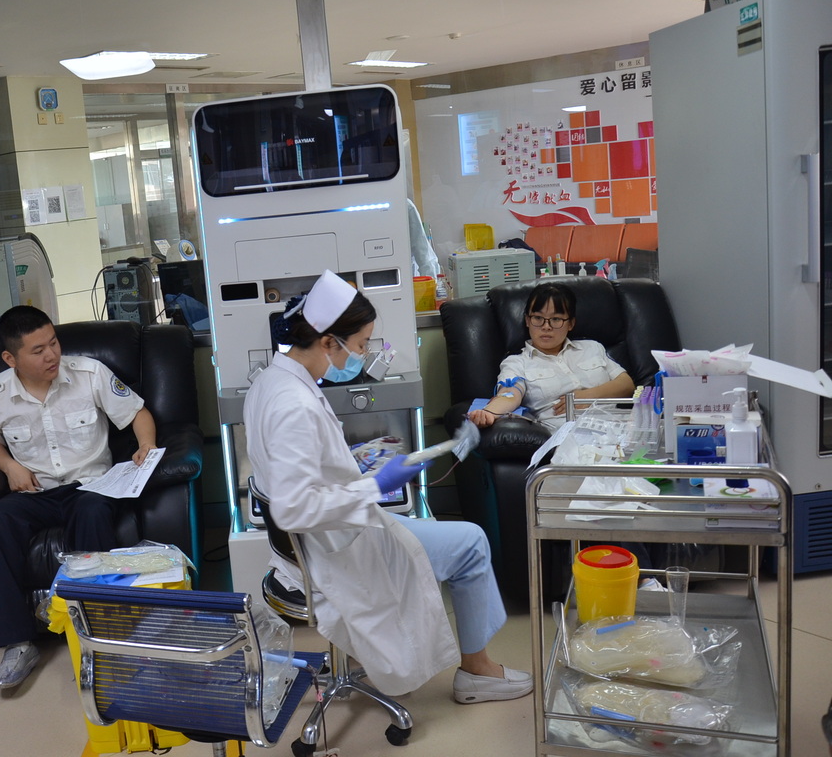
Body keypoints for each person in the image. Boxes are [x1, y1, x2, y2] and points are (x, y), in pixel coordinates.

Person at [245, 270, 532, 703]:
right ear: (328, 342)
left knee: (443, 538)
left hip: (320, 540)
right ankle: (478, 672)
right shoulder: (295, 405)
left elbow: (295, 468)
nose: (363, 355)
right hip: (334, 548)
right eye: (361, 344)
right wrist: (375, 486)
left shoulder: (272, 380)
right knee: (471, 543)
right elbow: (293, 508)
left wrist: (355, 462)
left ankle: (378, 655)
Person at [0, 306, 157, 690]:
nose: (52, 355)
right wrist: (9, 465)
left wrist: (146, 445)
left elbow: (137, 413)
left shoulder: (89, 373)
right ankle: (18, 644)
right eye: (38, 350)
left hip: (90, 486)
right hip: (35, 491)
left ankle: (98, 640)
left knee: (91, 512)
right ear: (10, 358)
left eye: (53, 343)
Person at [468, 282, 634, 429]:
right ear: (527, 320)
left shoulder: (592, 347)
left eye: (556, 319)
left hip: (621, 426)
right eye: (538, 318)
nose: (546, 326)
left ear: (571, 323)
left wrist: (586, 396)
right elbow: (510, 394)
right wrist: (489, 413)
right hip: (570, 436)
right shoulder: (517, 363)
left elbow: (626, 384)